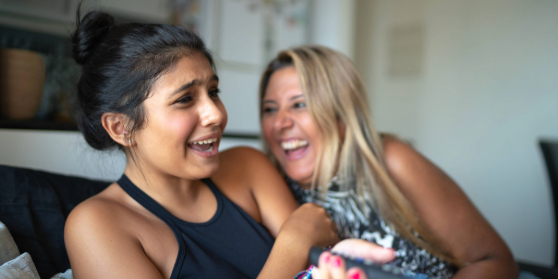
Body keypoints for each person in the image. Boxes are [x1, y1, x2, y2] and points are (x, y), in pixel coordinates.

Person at [64, 11, 339, 279]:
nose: (217, 114)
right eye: (185, 99)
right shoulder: (95, 225)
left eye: (213, 92)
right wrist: (293, 244)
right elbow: (306, 242)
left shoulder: (248, 165)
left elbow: (330, 268)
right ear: (121, 128)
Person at [259, 45, 519, 278]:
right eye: (270, 109)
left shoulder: (390, 161)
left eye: (299, 105)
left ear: (342, 113)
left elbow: (495, 261)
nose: (280, 123)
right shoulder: (271, 187)